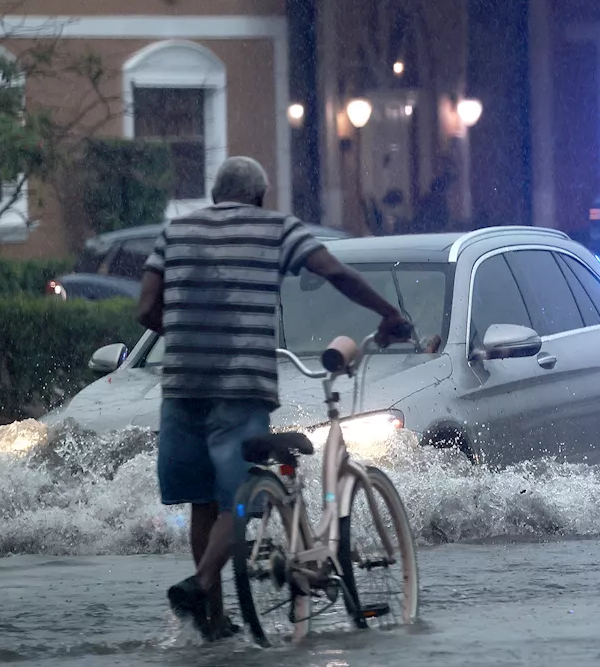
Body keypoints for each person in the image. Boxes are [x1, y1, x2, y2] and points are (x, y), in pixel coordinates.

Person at [136, 156, 411, 641]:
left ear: (216, 194)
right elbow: (335, 273)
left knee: (203, 501)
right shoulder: (275, 228)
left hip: (182, 383)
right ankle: (201, 584)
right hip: (241, 383)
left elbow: (145, 309)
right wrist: (389, 314)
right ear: (260, 197)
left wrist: (188, 333)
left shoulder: (175, 232)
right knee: (238, 497)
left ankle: (214, 617)